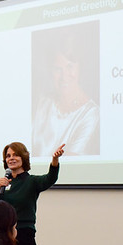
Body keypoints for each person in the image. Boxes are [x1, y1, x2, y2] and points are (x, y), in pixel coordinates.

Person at [0, 141, 64, 245]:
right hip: (2, 235)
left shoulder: (32, 182)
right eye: (8, 156)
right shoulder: (0, 182)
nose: (11, 158)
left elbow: (50, 178)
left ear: (23, 157)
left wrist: (55, 160)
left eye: (15, 155)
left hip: (24, 235)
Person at [31, 23, 100, 157]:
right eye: (58, 69)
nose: (64, 76)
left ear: (80, 67)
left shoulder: (91, 114)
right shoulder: (42, 102)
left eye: (70, 67)